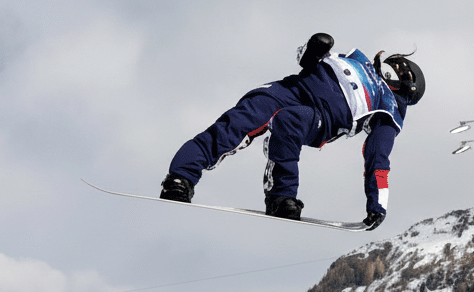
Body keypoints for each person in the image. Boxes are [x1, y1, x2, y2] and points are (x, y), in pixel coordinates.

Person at [161, 33, 424, 230]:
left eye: (400, 67)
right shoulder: (358, 59)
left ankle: (281, 198)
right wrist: (313, 51)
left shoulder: (390, 107)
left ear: (408, 85)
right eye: (394, 61)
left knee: (291, 122)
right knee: (241, 120)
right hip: (290, 89)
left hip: (319, 117)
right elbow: (304, 60)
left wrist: (377, 205)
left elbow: (378, 157)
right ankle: (180, 178)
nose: (392, 64)